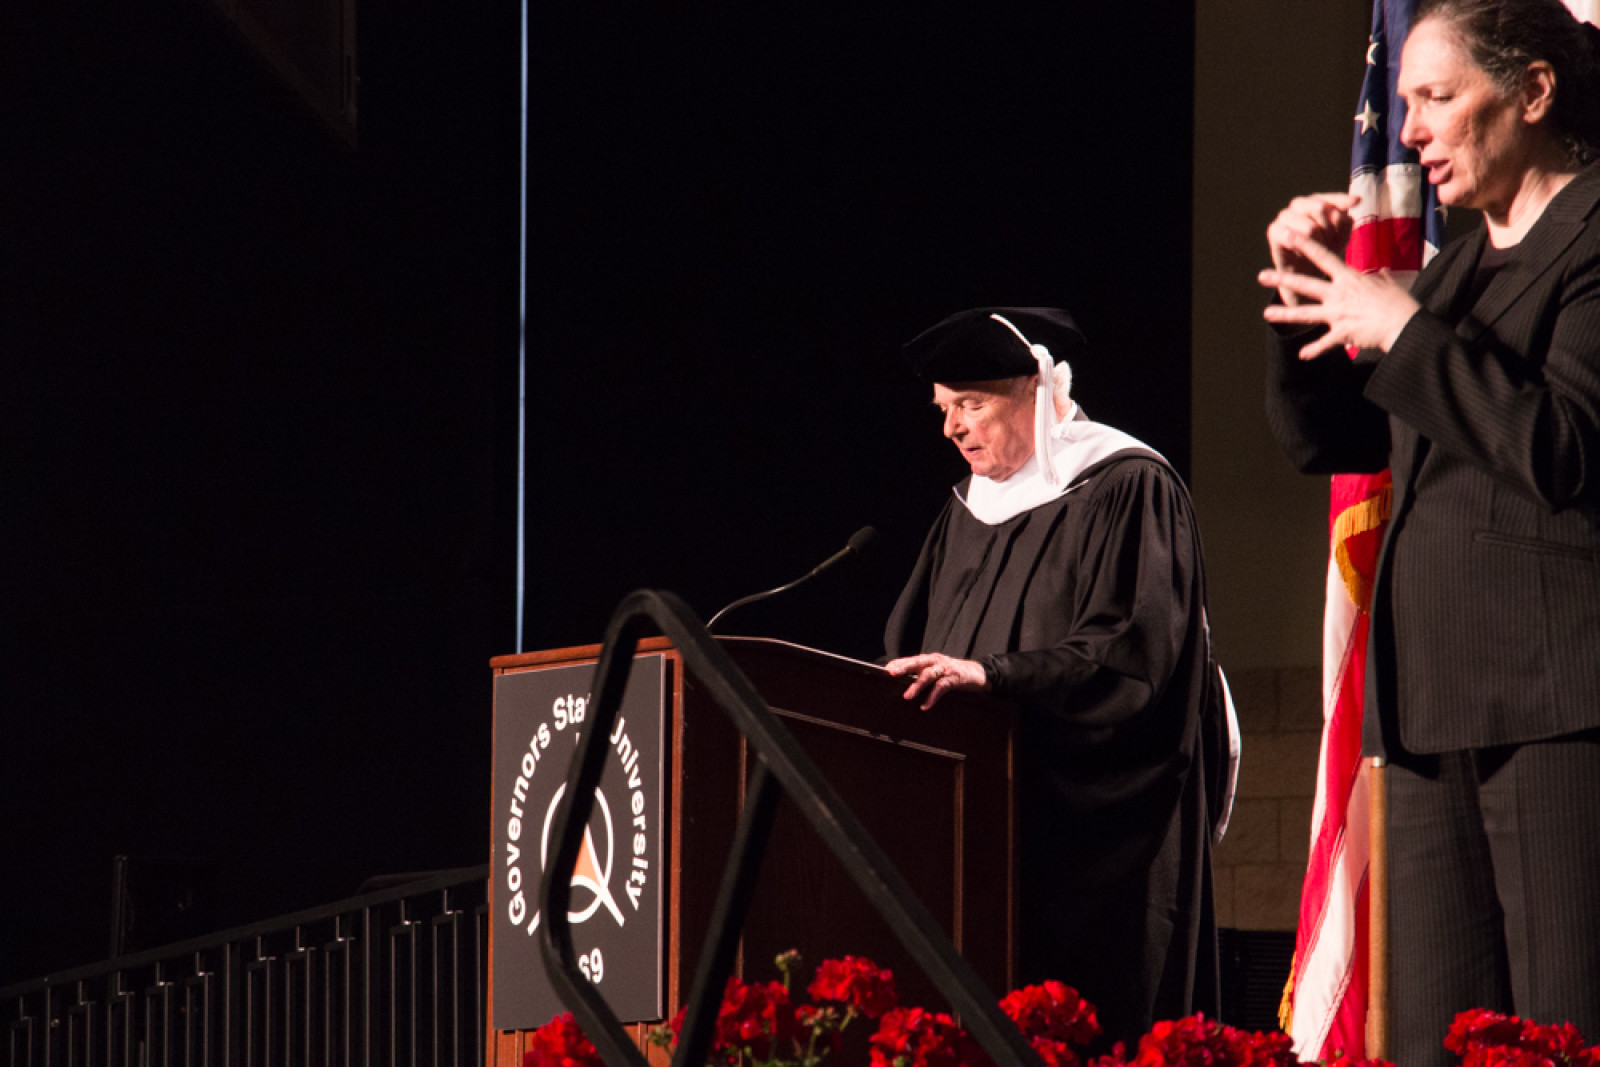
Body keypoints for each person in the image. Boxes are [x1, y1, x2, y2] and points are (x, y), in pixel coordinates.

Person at [1258, 1, 1600, 1060]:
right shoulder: (1456, 270)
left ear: (1533, 93)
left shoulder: (1592, 238)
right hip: (1422, 710)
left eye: (1435, 98)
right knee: (1435, 1039)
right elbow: (1338, 442)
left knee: (1558, 1028)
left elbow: (1565, 448)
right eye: (1402, 101)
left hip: (1552, 707)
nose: (1407, 131)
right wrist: (1307, 299)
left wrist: (1401, 326)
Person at [882, 306, 1230, 1050]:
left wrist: (995, 677)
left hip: (1095, 853)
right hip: (977, 843)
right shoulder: (963, 515)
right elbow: (909, 651)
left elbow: (1134, 656)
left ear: (1036, 392)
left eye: (971, 404)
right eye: (944, 408)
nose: (951, 427)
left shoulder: (1127, 486)